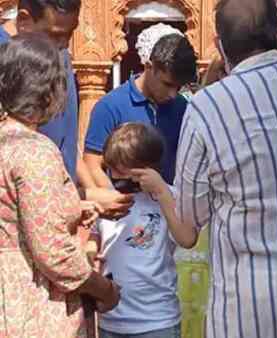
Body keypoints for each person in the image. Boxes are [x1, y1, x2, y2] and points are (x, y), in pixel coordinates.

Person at [175, 0, 277, 337]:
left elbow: (188, 223)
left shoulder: (207, 105)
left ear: (218, 44)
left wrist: (159, 189)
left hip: (247, 308)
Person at [0, 33, 120, 338]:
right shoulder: (33, 151)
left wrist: (72, 207)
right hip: (30, 304)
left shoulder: (8, 141)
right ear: (50, 92)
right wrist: (103, 289)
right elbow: (53, 253)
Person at [0, 0, 135, 219]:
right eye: (54, 34)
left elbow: (65, 146)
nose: (63, 44)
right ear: (24, 21)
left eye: (70, 34)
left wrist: (96, 198)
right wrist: (83, 196)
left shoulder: (58, 55)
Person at [88, 122, 197, 338]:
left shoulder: (170, 197)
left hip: (157, 319)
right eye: (112, 171)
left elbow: (186, 237)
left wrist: (161, 192)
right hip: (112, 319)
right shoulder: (110, 197)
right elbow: (96, 234)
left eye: (124, 173)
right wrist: (90, 251)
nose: (117, 179)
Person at [84, 33, 197, 188]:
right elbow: (92, 165)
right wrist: (117, 201)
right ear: (149, 67)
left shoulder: (181, 107)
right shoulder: (110, 106)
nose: (172, 94)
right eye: (167, 84)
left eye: (178, 88)